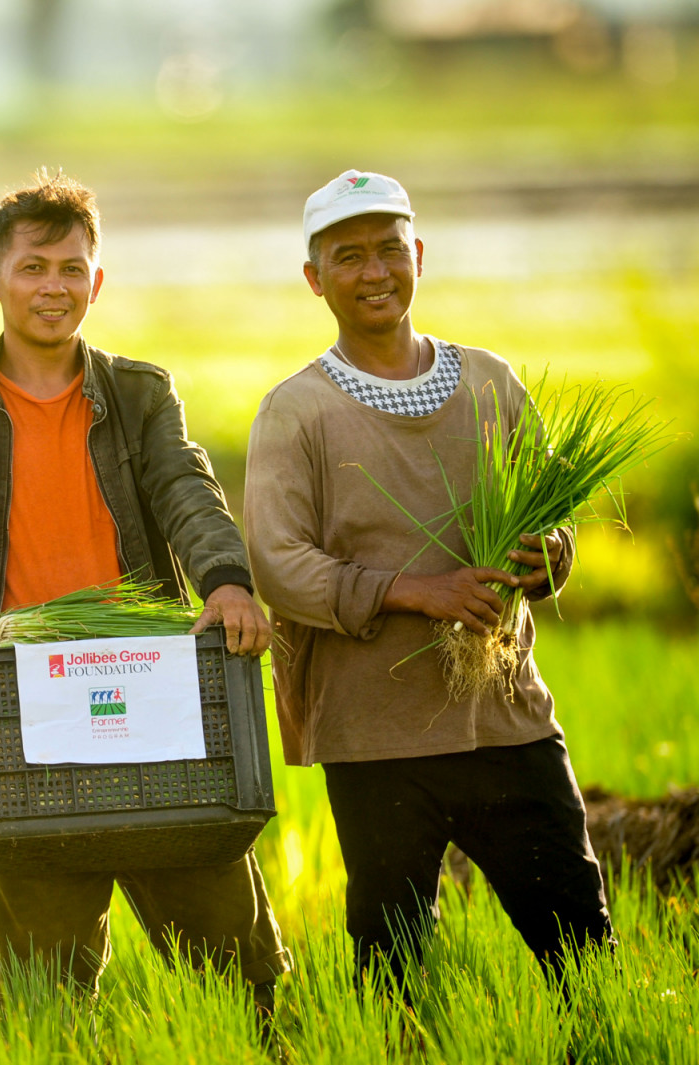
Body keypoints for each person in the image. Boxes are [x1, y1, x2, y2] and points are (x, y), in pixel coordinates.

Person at [0, 171, 290, 1010]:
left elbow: (186, 489)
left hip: (154, 695)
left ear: (96, 282)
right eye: (33, 267)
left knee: (234, 959)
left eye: (71, 268)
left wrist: (228, 581)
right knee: (47, 981)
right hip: (19, 711)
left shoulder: (139, 394)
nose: (53, 287)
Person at [243, 169, 614, 983]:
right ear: (315, 278)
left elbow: (553, 513)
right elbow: (279, 563)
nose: (374, 272)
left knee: (585, 949)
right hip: (376, 738)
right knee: (395, 966)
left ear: (418, 254)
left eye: (388, 250)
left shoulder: (491, 380)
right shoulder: (295, 411)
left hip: (507, 719)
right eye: (348, 257)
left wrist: (552, 553)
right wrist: (419, 589)